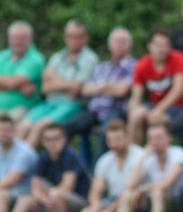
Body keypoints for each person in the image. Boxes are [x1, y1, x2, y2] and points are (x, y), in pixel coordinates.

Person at [34, 119, 143, 212]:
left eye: (118, 139)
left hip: (132, 201)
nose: (114, 144)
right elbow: (96, 189)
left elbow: (132, 190)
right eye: (110, 140)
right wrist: (95, 207)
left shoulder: (139, 156)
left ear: (127, 138)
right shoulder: (105, 160)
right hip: (110, 200)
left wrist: (105, 211)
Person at [90, 124, 183, 212]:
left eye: (159, 138)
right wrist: (144, 157)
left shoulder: (178, 153)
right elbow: (130, 185)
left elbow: (166, 184)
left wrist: (142, 189)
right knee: (127, 195)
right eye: (151, 138)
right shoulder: (149, 158)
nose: (155, 142)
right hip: (153, 202)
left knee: (158, 193)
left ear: (169, 139)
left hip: (178, 203)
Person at [0, 124, 89, 212]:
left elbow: (67, 186)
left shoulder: (71, 156)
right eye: (48, 139)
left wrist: (47, 196)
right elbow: (35, 185)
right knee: (25, 200)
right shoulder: (43, 157)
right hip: (49, 199)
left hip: (77, 203)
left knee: (56, 195)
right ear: (42, 141)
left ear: (64, 139)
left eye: (56, 138)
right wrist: (42, 198)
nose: (52, 143)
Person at [20, 20, 98, 148]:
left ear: (86, 38)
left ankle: (21, 165)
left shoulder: (90, 59)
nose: (73, 40)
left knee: (40, 126)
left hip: (73, 105)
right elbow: (45, 88)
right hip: (49, 104)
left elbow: (78, 88)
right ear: (65, 37)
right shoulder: (57, 57)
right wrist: (69, 85)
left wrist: (54, 79)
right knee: (23, 126)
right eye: (70, 36)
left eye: (77, 36)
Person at [67, 27, 136, 165]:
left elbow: (122, 91)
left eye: (123, 42)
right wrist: (110, 87)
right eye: (116, 42)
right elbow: (85, 90)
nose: (119, 45)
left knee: (107, 133)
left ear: (130, 45)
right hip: (94, 111)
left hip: (117, 111)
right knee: (67, 128)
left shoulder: (134, 66)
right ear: (110, 45)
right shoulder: (102, 66)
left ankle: (95, 175)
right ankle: (70, 170)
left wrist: (99, 87)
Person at [128, 31, 183, 151]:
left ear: (170, 47)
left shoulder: (178, 58)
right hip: (155, 105)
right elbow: (136, 96)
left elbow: (178, 90)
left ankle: (157, 156)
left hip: (180, 107)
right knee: (136, 115)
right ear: (150, 46)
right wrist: (134, 111)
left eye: (165, 45)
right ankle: (134, 156)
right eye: (157, 45)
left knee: (155, 118)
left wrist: (157, 110)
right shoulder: (142, 64)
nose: (161, 49)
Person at [0, 21, 44, 121]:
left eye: (22, 38)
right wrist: (18, 88)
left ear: (30, 39)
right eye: (15, 38)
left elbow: (13, 83)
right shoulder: (2, 55)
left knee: (5, 125)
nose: (18, 42)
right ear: (9, 39)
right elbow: (13, 84)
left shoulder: (35, 59)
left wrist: (11, 85)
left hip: (22, 108)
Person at [0, 113, 37, 212]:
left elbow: (10, 182)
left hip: (24, 193)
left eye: (6, 130)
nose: (2, 133)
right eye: (0, 130)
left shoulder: (24, 151)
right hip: (6, 190)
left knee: (1, 195)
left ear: (14, 131)